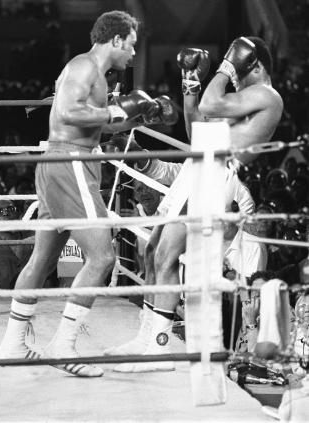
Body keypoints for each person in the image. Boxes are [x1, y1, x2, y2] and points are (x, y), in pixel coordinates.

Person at [0, 11, 175, 377]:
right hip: (71, 164)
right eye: (132, 45)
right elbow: (67, 111)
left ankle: (12, 344)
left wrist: (141, 117)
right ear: (117, 39)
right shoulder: (84, 67)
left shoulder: (96, 75)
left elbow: (96, 127)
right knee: (102, 257)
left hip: (61, 163)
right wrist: (113, 110)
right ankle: (63, 345)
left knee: (43, 259)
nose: (134, 54)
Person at [106, 37, 284, 372]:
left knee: (167, 255)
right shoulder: (241, 101)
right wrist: (190, 84)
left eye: (237, 67)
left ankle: (158, 349)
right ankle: (145, 339)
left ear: (253, 63)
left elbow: (211, 105)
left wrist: (224, 68)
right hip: (197, 168)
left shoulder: (267, 96)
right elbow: (196, 130)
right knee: (152, 251)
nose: (232, 77)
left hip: (216, 175)